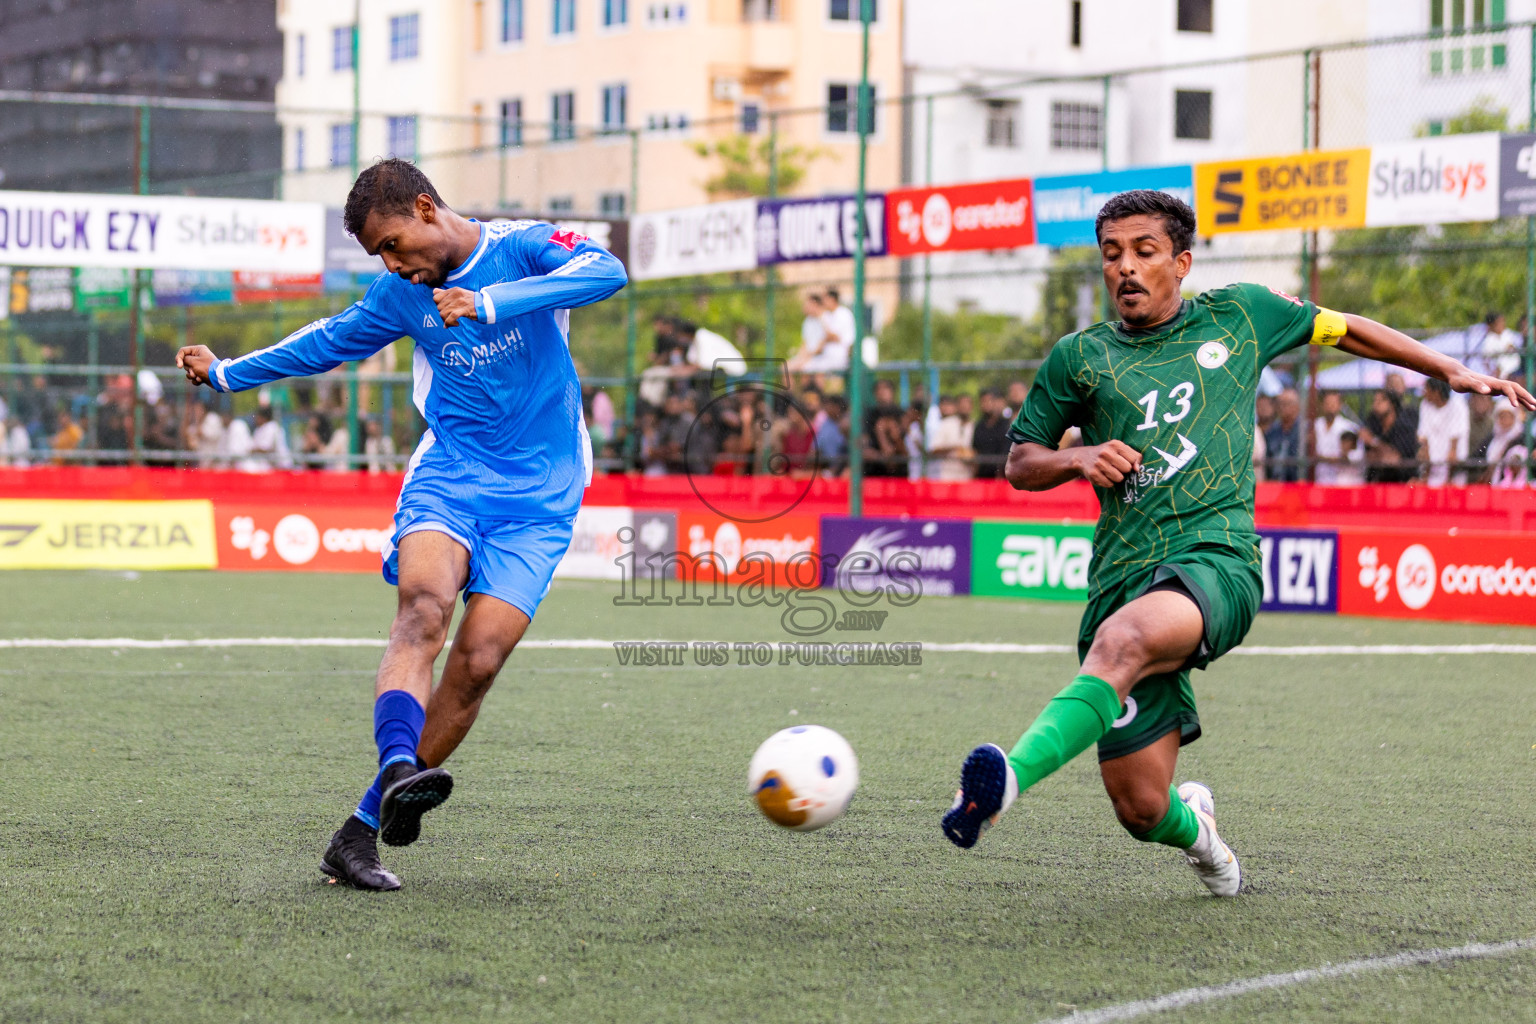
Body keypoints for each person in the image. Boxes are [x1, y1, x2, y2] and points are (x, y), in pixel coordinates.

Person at [939, 189, 1534, 897]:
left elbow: (1346, 330)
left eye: (1144, 251)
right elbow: (1019, 461)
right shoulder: (1080, 358)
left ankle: (1006, 780)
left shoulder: (1242, 314)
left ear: (1181, 261)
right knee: (1140, 806)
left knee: (1124, 643)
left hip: (1216, 559)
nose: (1125, 268)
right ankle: (1203, 837)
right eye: (1111, 254)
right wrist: (1076, 457)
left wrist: (1446, 369)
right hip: (1120, 577)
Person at [174, 158, 626, 891]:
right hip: (451, 475)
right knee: (424, 609)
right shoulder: (400, 293)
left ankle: (357, 833)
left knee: (478, 663)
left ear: (424, 208)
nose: (392, 264)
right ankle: (397, 766)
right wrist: (225, 374)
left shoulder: (524, 247)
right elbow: (323, 342)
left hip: (542, 496)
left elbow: (607, 273)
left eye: (392, 244)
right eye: (378, 256)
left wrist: (490, 304)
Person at [1416, 378, 1469, 487]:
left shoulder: (1458, 405)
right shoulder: (1425, 405)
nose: (1424, 392)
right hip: (1432, 465)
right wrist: (1425, 475)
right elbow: (1423, 435)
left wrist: (1448, 479)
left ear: (1436, 392)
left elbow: (1455, 442)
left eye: (1427, 389)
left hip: (1453, 468)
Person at [1361, 390, 1418, 483]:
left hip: (1401, 482)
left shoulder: (1403, 428)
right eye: (1374, 401)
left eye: (1380, 401)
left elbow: (1394, 459)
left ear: (1392, 404)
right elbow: (1370, 457)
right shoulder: (1374, 427)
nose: (1375, 405)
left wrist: (1374, 442)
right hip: (1378, 483)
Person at [1312, 391, 1358, 486]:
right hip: (1319, 481)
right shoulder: (1315, 426)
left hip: (1341, 482)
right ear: (1322, 405)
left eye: (1333, 403)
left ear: (1340, 405)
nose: (1330, 407)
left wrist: (1325, 458)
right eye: (1327, 403)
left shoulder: (1349, 427)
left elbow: (1355, 456)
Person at [1264, 388, 1304, 482]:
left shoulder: (1305, 431)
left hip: (1296, 484)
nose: (1283, 407)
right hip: (1275, 484)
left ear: (1297, 406)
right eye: (1280, 404)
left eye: (1287, 403)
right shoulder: (1272, 431)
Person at [971, 388, 1012, 480]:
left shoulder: (1006, 425)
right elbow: (975, 449)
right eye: (983, 401)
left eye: (989, 401)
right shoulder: (979, 426)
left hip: (1000, 476)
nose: (986, 404)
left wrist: (1001, 472)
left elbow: (1007, 451)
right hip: (981, 476)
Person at [251, 406, 293, 472]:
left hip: (282, 466)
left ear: (263, 417)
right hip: (270, 465)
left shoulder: (272, 426)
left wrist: (251, 450)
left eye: (257, 416)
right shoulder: (258, 429)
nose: (255, 419)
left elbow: (266, 449)